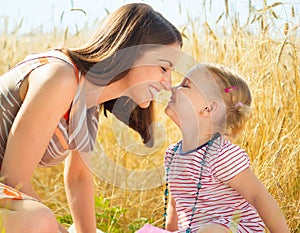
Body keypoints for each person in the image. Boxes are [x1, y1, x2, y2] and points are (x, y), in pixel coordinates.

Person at [0, 3, 182, 233]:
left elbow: (78, 177)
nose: (168, 83)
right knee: (38, 220)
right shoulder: (61, 77)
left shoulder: (88, 102)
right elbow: (13, 180)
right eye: (164, 68)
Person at [163, 63, 290, 233]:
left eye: (185, 85)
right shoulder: (172, 154)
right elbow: (175, 205)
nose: (172, 88)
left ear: (209, 108)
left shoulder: (221, 154)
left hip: (234, 227)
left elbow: (257, 195)